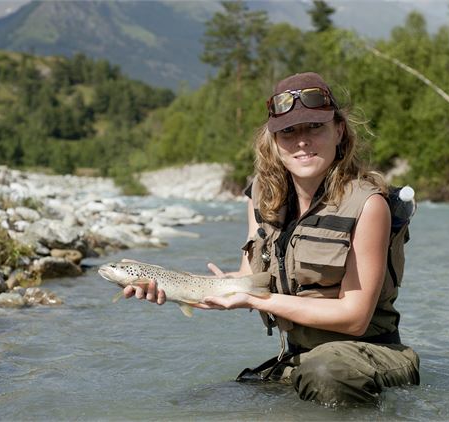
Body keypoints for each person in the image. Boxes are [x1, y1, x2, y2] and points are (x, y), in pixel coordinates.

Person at [123, 72, 420, 406]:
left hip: (373, 354)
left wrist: (253, 301)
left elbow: (354, 317)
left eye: (315, 127)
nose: (302, 141)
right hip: (300, 361)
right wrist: (166, 282)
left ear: (339, 131)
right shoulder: (263, 197)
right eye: (289, 131)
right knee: (201, 403)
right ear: (274, 141)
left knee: (325, 373)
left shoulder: (369, 205)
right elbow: (250, 282)